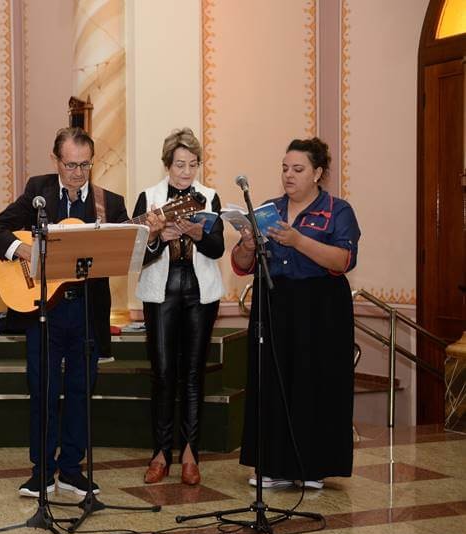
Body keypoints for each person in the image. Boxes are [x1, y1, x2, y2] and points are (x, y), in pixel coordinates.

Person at [0, 127, 128, 497]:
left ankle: (72, 470)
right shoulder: (38, 192)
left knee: (80, 392)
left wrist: (152, 235)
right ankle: (42, 471)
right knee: (43, 391)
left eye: (85, 165)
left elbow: (128, 252)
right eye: (70, 165)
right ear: (56, 160)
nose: (78, 173)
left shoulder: (109, 203)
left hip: (87, 312)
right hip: (44, 310)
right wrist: (21, 249)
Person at [232, 137, 360, 489]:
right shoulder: (268, 209)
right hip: (274, 302)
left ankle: (313, 468)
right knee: (271, 380)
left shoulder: (338, 210)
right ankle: (270, 466)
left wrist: (298, 240)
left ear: (317, 173)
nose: (289, 175)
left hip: (321, 307)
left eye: (298, 169)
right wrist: (247, 245)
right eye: (285, 168)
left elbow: (343, 260)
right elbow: (242, 264)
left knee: (315, 382)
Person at [133, 128, 225, 486]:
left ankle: (190, 454)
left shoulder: (210, 197)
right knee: (162, 373)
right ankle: (160, 453)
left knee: (193, 373)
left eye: (192, 164)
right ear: (167, 164)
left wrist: (200, 235)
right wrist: (158, 237)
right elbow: (136, 256)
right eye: (180, 164)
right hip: (161, 290)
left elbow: (217, 249)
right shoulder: (149, 197)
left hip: (200, 292)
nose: (187, 172)